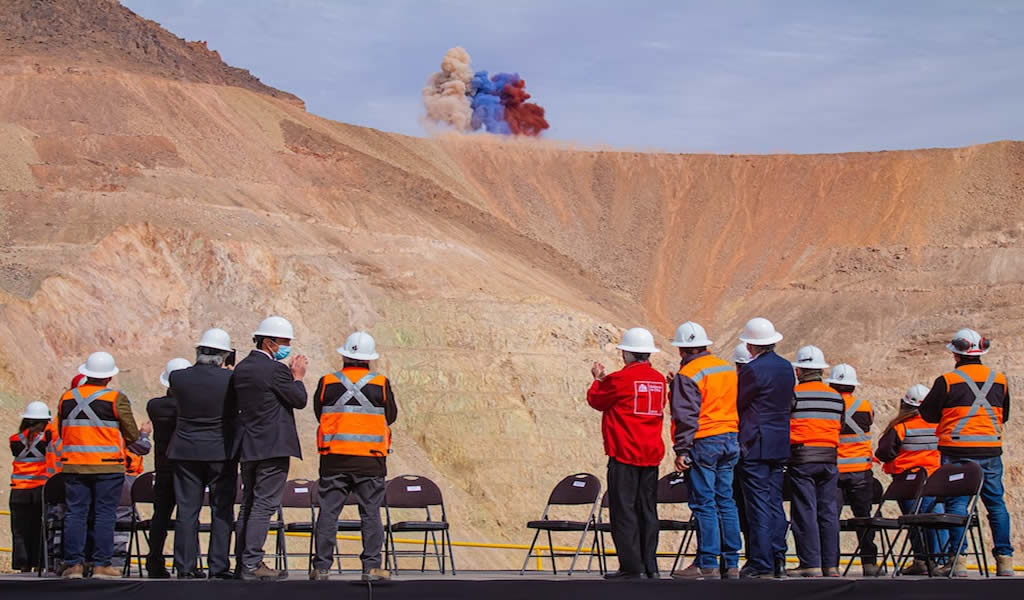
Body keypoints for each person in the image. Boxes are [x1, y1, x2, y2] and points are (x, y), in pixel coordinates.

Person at [919, 328, 1013, 577]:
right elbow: (1005, 414)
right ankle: (1004, 560)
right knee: (995, 504)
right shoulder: (1000, 380)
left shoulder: (947, 381)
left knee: (957, 503)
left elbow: (927, 414)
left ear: (956, 355)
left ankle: (958, 560)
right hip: (990, 450)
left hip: (956, 451)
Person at [310, 331, 397, 582]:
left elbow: (320, 413)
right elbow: (389, 416)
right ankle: (371, 568)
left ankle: (322, 567)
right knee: (370, 513)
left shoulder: (327, 382)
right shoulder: (380, 383)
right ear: (369, 359)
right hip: (370, 460)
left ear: (345, 355)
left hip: (334, 458)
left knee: (328, 513)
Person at [230, 316, 308, 581]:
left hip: (248, 446)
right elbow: (299, 400)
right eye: (284, 342)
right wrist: (297, 377)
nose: (286, 347)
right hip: (272, 446)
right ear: (268, 342)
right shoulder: (275, 370)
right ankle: (252, 564)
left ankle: (243, 561)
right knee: (264, 505)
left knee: (248, 504)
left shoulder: (242, 368)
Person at [587, 327, 666, 579]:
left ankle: (631, 566)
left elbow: (597, 400)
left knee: (624, 510)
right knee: (648, 509)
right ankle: (649, 564)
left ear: (630, 354)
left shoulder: (621, 380)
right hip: (651, 454)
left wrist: (598, 379)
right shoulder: (659, 379)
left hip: (625, 453)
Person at [667, 322, 741, 580]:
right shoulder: (726, 368)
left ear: (681, 350)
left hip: (704, 441)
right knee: (726, 501)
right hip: (730, 438)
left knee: (705, 503)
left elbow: (686, 415)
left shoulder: (688, 374)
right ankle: (731, 563)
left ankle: (707, 562)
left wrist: (682, 449)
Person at [57, 351, 140, 579]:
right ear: (108, 377)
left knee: (76, 514)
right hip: (107, 467)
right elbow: (131, 434)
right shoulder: (115, 399)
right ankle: (101, 565)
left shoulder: (66, 398)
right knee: (104, 515)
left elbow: (61, 430)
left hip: (74, 465)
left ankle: (73, 565)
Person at [170, 329, 239, 579]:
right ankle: (218, 566)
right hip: (220, 450)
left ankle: (185, 567)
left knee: (187, 510)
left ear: (198, 352)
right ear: (223, 356)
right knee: (221, 510)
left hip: (185, 450)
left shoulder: (178, 378)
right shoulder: (230, 380)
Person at [735, 318, 793, 578]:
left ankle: (760, 561)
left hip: (755, 442)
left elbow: (740, 402)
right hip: (779, 441)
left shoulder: (752, 370)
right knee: (774, 501)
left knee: (757, 504)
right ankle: (779, 556)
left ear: (750, 345)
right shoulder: (786, 367)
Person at [876, 384, 947, 575]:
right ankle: (940, 561)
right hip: (936, 481)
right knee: (936, 520)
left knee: (915, 522)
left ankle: (922, 560)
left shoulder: (901, 427)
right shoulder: (940, 425)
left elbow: (884, 452)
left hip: (908, 483)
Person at [787, 345, 843, 578]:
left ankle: (810, 563)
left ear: (799, 371)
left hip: (802, 457)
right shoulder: (836, 397)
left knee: (805, 511)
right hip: (829, 458)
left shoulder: (794, 394)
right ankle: (831, 565)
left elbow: (783, 422)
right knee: (829, 511)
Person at [827, 364, 878, 576]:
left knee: (831, 518)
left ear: (831, 385)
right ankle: (869, 563)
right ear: (853, 387)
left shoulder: (828, 406)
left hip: (836, 470)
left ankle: (831, 564)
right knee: (863, 517)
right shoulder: (865, 406)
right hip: (861, 471)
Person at [144, 357, 191, 578]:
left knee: (160, 517)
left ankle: (154, 561)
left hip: (163, 468)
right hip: (186, 469)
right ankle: (185, 564)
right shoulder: (190, 408)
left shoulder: (154, 405)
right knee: (186, 516)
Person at [9, 402, 52, 572]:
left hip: (18, 490)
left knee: (19, 530)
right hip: (39, 489)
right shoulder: (46, 440)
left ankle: (22, 564)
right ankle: (39, 563)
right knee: (39, 529)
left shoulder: (14, 440)